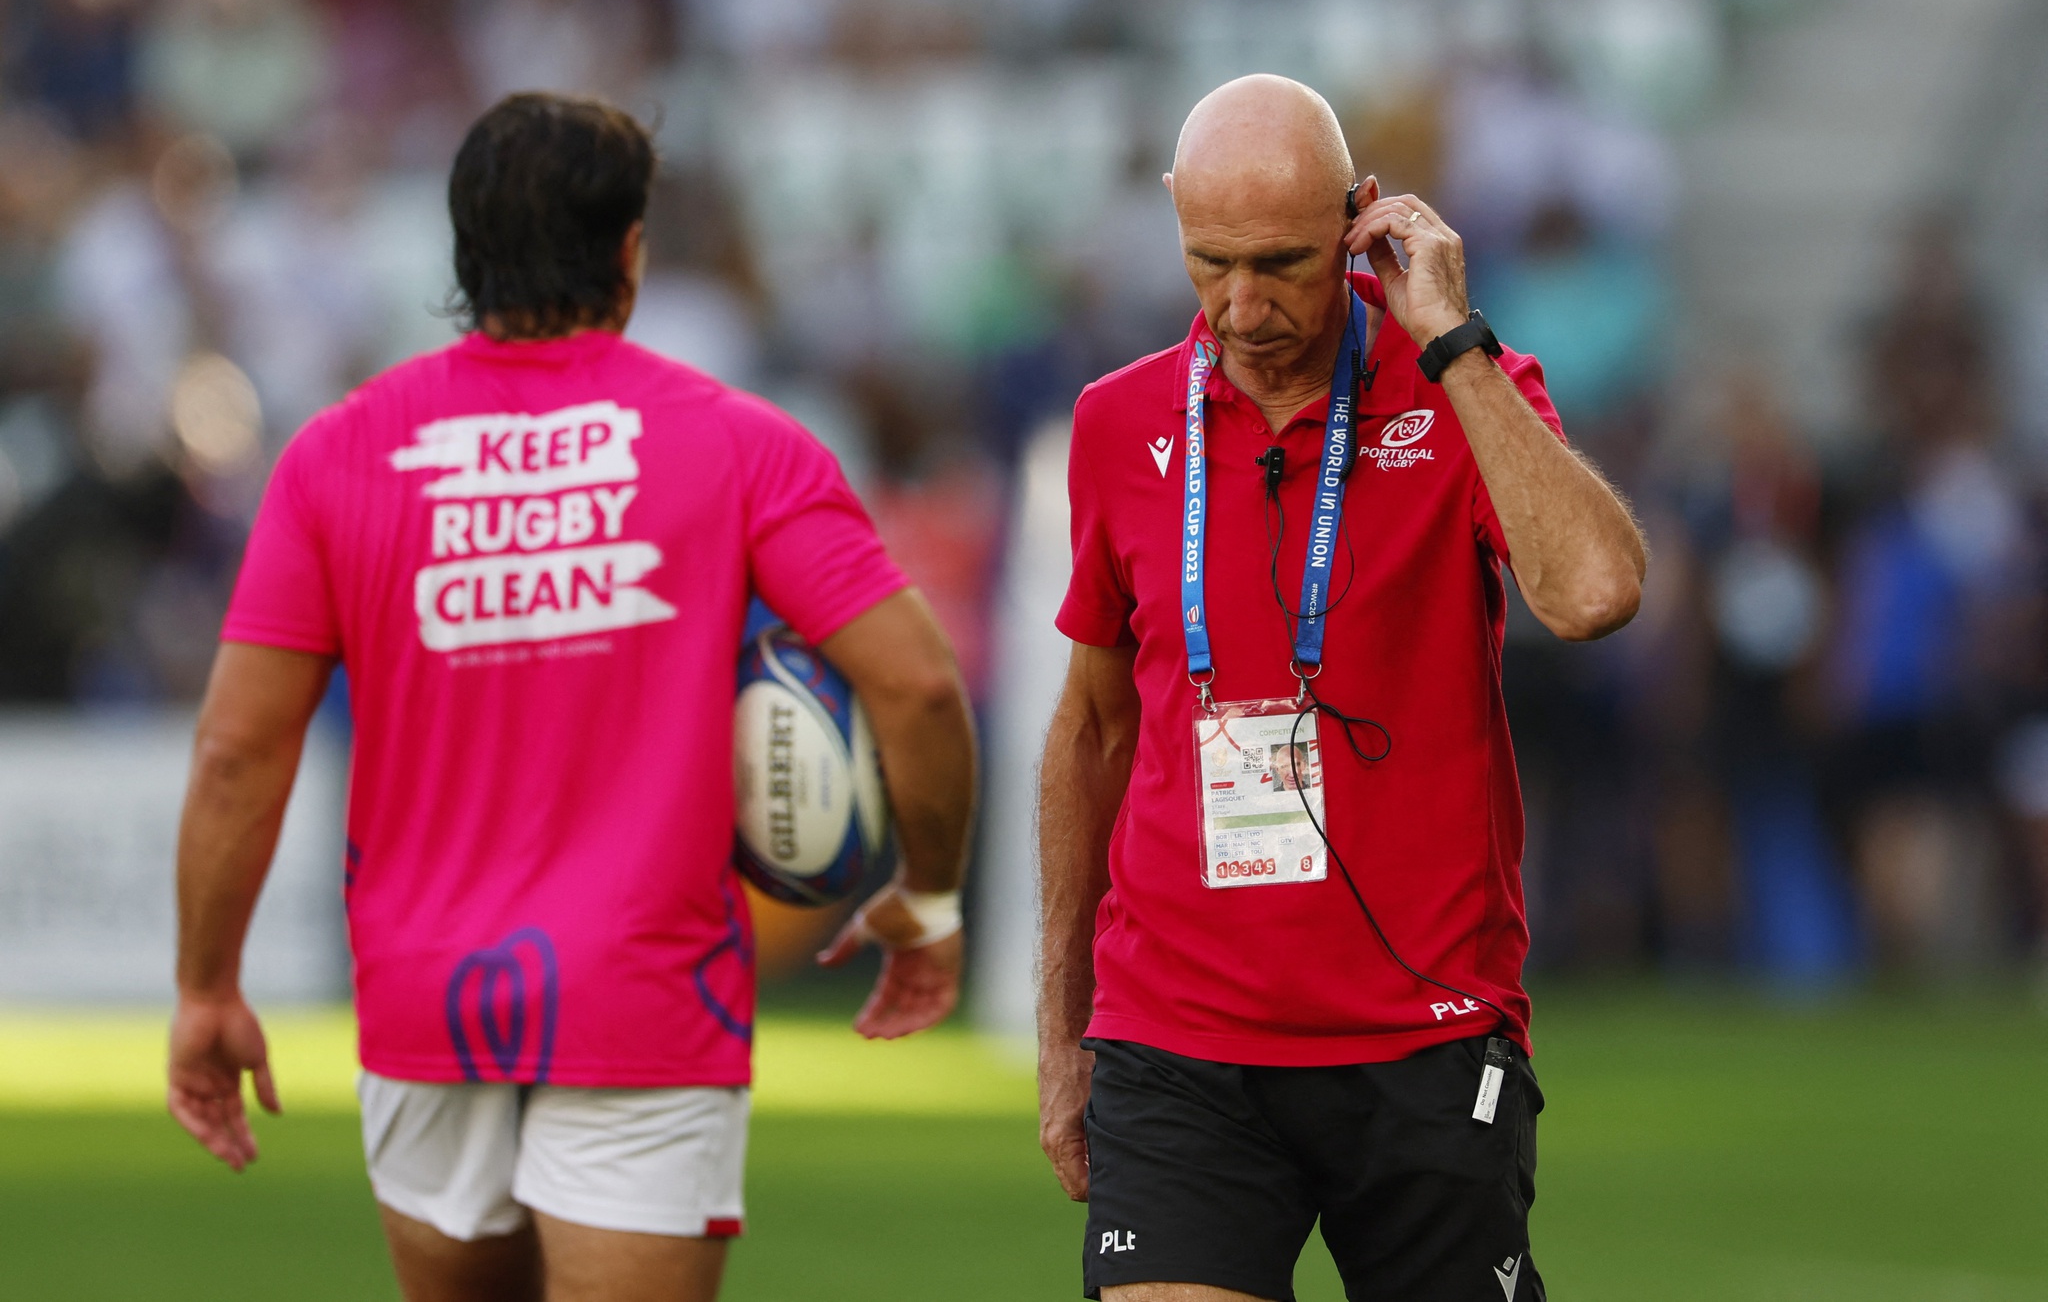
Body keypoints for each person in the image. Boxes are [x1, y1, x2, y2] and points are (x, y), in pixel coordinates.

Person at [167, 93, 977, 1302]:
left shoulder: (336, 454)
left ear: (460, 253)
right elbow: (912, 683)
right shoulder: (740, 444)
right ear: (630, 251)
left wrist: (205, 985)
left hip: (426, 1000)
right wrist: (927, 889)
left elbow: (239, 749)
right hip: (647, 1004)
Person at [1037, 75, 1645, 1302]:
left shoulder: (1459, 386)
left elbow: (1591, 594)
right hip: (1177, 1034)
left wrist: (1453, 342)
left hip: (1423, 1028)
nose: (1242, 307)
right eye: (1209, 263)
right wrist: (1060, 1026)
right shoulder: (1115, 426)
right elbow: (1095, 726)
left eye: (1280, 263)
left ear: (1360, 221)